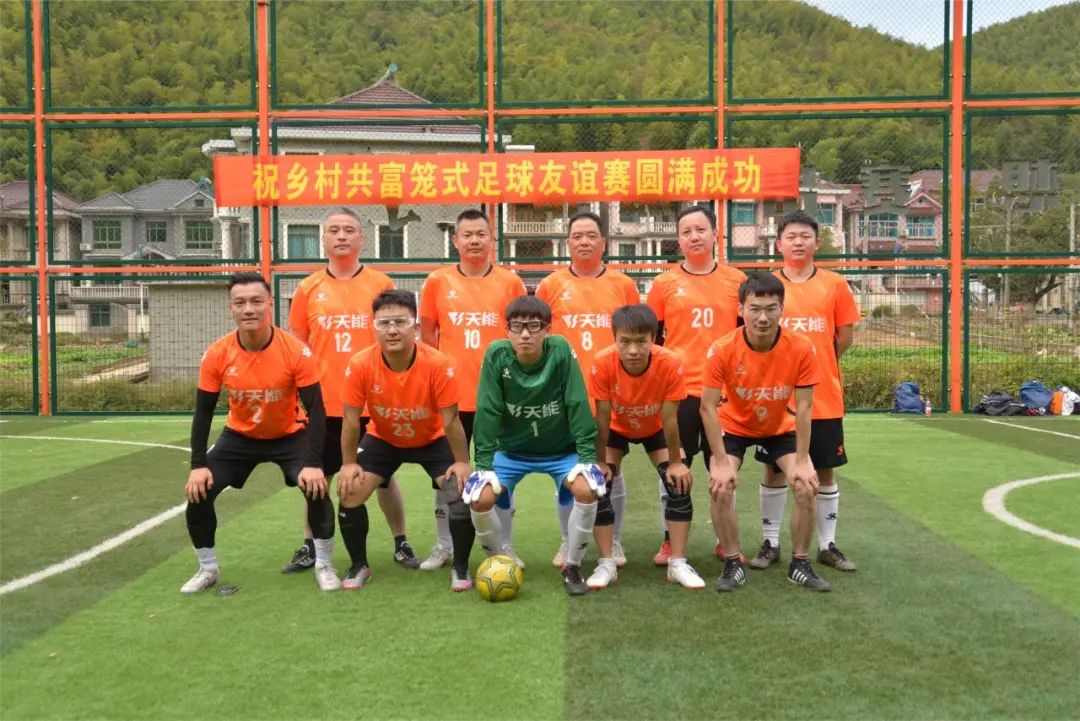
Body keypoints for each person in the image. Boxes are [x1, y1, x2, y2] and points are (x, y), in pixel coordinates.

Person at [182, 272, 340, 593]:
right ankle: (207, 568)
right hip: (239, 438)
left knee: (316, 487)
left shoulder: (295, 351)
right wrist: (198, 466)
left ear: (270, 303)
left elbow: (316, 410)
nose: (249, 309)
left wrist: (313, 463)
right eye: (240, 302)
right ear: (231, 307)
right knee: (199, 492)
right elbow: (203, 413)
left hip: (289, 435)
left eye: (256, 301)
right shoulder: (217, 353)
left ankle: (324, 563)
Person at [284, 207, 414, 574]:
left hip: (374, 401)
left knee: (383, 476)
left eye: (349, 230)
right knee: (317, 477)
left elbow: (396, 338)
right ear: (323, 238)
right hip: (324, 404)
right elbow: (298, 347)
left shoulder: (381, 283)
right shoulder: (308, 288)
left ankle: (401, 541)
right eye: (334, 230)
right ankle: (310, 545)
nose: (341, 236)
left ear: (361, 238)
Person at [462, 296, 604, 597]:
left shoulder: (560, 350)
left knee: (586, 490)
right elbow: (488, 409)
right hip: (510, 452)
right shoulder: (496, 354)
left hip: (561, 450)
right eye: (517, 327)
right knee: (480, 498)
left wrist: (587, 456)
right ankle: (498, 559)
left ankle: (573, 565)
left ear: (547, 330)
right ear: (507, 331)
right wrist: (483, 464)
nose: (525, 334)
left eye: (534, 326)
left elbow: (576, 400)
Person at [700, 272, 831, 592]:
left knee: (806, 484)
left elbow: (804, 407)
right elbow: (707, 407)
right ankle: (733, 563)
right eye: (755, 308)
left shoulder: (801, 347)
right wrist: (720, 461)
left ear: (782, 309)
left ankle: (800, 564)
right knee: (720, 485)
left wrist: (803, 459)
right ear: (740, 309)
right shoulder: (722, 349)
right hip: (734, 426)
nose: (762, 317)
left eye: (771, 309)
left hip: (779, 426)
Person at [337, 290, 476, 591]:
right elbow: (350, 420)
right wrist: (348, 464)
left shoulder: (438, 363)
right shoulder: (360, 363)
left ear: (415, 327)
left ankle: (461, 566)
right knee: (349, 492)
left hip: (431, 438)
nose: (392, 330)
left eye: (400, 322)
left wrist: (463, 462)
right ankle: (359, 565)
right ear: (374, 327)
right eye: (384, 323)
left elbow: (451, 420)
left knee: (459, 491)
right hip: (383, 438)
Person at [751, 211, 861, 572]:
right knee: (774, 471)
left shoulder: (835, 285)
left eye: (805, 236)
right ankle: (770, 542)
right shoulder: (768, 285)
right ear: (778, 243)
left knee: (825, 471)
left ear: (816, 242)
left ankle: (827, 545)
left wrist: (815, 368)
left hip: (823, 398)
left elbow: (844, 337)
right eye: (791, 236)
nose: (798, 242)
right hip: (777, 400)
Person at [418, 208, 527, 571]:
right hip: (451, 397)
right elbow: (429, 336)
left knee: (501, 473)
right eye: (467, 234)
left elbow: (521, 334)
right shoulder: (437, 281)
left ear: (491, 239)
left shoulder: (510, 282)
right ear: (455, 240)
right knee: (448, 474)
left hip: (499, 396)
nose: (475, 240)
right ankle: (444, 544)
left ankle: (504, 544)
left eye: (481, 234)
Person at [536, 211, 639, 567]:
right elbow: (542, 339)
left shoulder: (623, 285)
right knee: (568, 470)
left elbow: (634, 339)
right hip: (566, 393)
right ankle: (569, 541)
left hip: (612, 392)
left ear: (603, 242)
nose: (584, 241)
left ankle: (616, 541)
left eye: (591, 235)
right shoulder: (550, 285)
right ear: (567, 243)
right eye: (577, 236)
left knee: (612, 466)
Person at [646, 204, 744, 565]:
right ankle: (669, 540)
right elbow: (653, 341)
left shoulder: (736, 280)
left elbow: (745, 337)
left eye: (701, 229)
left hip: (723, 395)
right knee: (676, 468)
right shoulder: (664, 284)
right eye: (686, 231)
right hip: (681, 393)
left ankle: (725, 541)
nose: (694, 237)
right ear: (678, 239)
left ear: (715, 233)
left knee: (722, 470)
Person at [588, 304, 706, 590]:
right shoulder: (602, 362)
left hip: (655, 428)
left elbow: (670, 419)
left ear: (654, 338)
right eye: (625, 341)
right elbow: (601, 419)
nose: (633, 350)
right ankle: (606, 563)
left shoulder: (670, 362)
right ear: (614, 338)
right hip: (616, 427)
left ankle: (677, 563)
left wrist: (676, 463)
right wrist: (600, 462)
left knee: (678, 483)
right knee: (599, 484)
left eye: (641, 341)